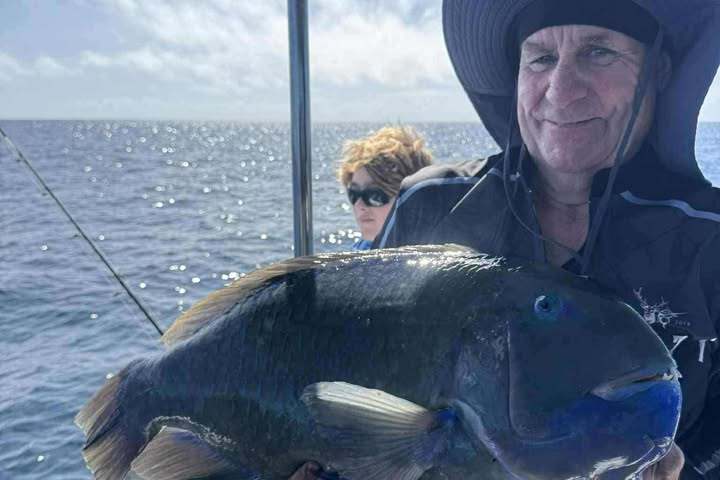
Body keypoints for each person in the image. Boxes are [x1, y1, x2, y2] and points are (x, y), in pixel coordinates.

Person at [292, 0, 720, 478]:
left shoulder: (710, 239)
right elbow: (338, 371)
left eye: (598, 52)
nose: (560, 89)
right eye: (539, 57)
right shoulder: (429, 204)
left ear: (658, 70)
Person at [336, 126, 433, 250]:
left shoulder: (441, 257)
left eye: (374, 196)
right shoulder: (361, 251)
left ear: (411, 198)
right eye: (353, 194)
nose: (359, 205)